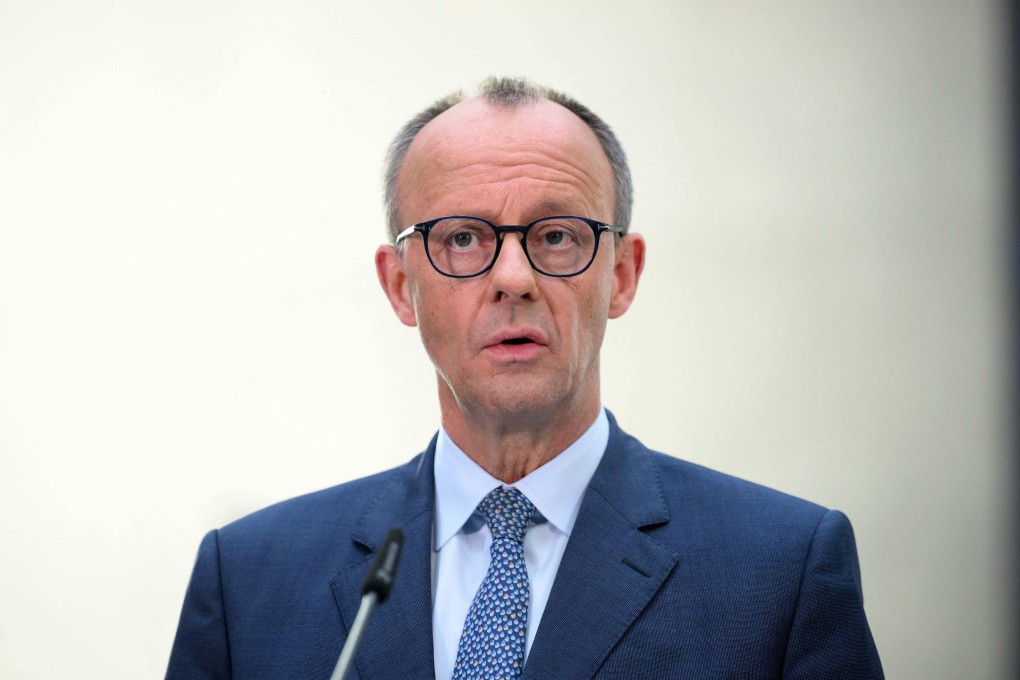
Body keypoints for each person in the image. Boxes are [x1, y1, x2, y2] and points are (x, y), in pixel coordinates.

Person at [166, 77, 884, 679]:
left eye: (557, 236)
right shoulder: (250, 582)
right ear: (398, 286)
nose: (513, 278)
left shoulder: (778, 573)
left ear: (623, 275)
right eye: (463, 238)